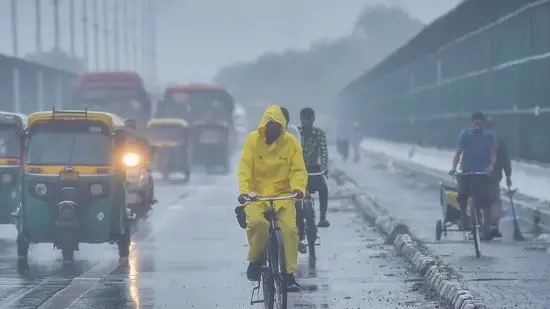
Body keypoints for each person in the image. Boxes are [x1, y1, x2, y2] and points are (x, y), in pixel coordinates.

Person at [236, 105, 307, 290]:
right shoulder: (253, 140)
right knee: (259, 225)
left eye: (277, 127)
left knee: (290, 231)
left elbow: (298, 170)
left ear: (282, 127)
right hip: (256, 196)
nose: (272, 130)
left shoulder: (291, 143)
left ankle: (289, 275)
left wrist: (298, 189)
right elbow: (244, 168)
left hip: (283, 197)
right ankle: (255, 261)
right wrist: (244, 192)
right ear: (264, 125)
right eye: (269, 126)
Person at [449, 112, 497, 239]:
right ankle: (464, 217)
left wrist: (491, 166)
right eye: (475, 124)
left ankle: (486, 228)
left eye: (480, 124)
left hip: (482, 173)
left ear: (484, 125)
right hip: (466, 171)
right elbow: (458, 154)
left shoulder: (489, 136)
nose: (477, 127)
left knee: (484, 200)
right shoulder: (465, 135)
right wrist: (454, 168)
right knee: (463, 194)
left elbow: (493, 154)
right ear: (472, 124)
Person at [299, 108, 330, 228]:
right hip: (298, 169)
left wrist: (324, 166)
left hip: (314, 169)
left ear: (313, 120)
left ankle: (323, 218)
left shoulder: (319, 134)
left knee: (323, 189)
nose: (304, 123)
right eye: (302, 120)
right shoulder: (295, 133)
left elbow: (323, 152)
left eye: (307, 120)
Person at [485, 120, 512, 238]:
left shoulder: (478, 139)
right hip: (494, 176)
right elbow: (505, 159)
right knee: (495, 201)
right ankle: (494, 227)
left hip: (479, 176)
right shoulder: (498, 140)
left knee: (482, 201)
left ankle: (484, 226)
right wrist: (508, 175)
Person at [123, 119, 157, 206]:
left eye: (132, 128)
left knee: (148, 175)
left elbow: (149, 149)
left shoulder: (142, 140)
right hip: (121, 166)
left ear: (135, 129)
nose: (130, 130)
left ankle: (150, 197)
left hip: (140, 165)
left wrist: (149, 153)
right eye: (128, 127)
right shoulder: (119, 140)